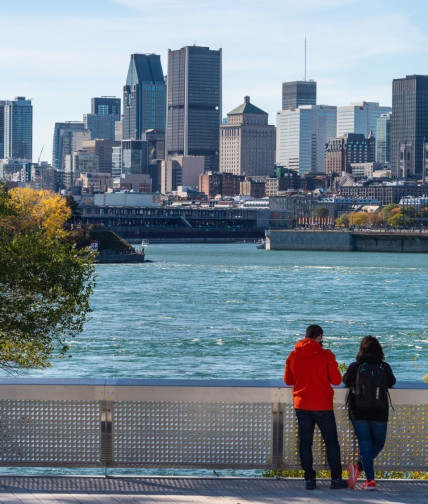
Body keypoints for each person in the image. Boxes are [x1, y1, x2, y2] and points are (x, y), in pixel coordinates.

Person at [284, 324, 349, 490]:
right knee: (331, 442)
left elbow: (287, 381)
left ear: (306, 336)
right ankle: (335, 479)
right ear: (320, 337)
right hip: (322, 405)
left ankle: (309, 480)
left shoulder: (293, 355)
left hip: (302, 405)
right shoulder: (326, 355)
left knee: (305, 443)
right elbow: (336, 380)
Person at [343, 336, 396, 491]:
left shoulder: (356, 366)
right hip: (379, 411)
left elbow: (345, 381)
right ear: (379, 350)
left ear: (361, 349)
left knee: (365, 442)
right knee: (378, 443)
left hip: (358, 410)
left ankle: (363, 472)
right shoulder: (384, 366)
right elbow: (392, 382)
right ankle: (366, 476)